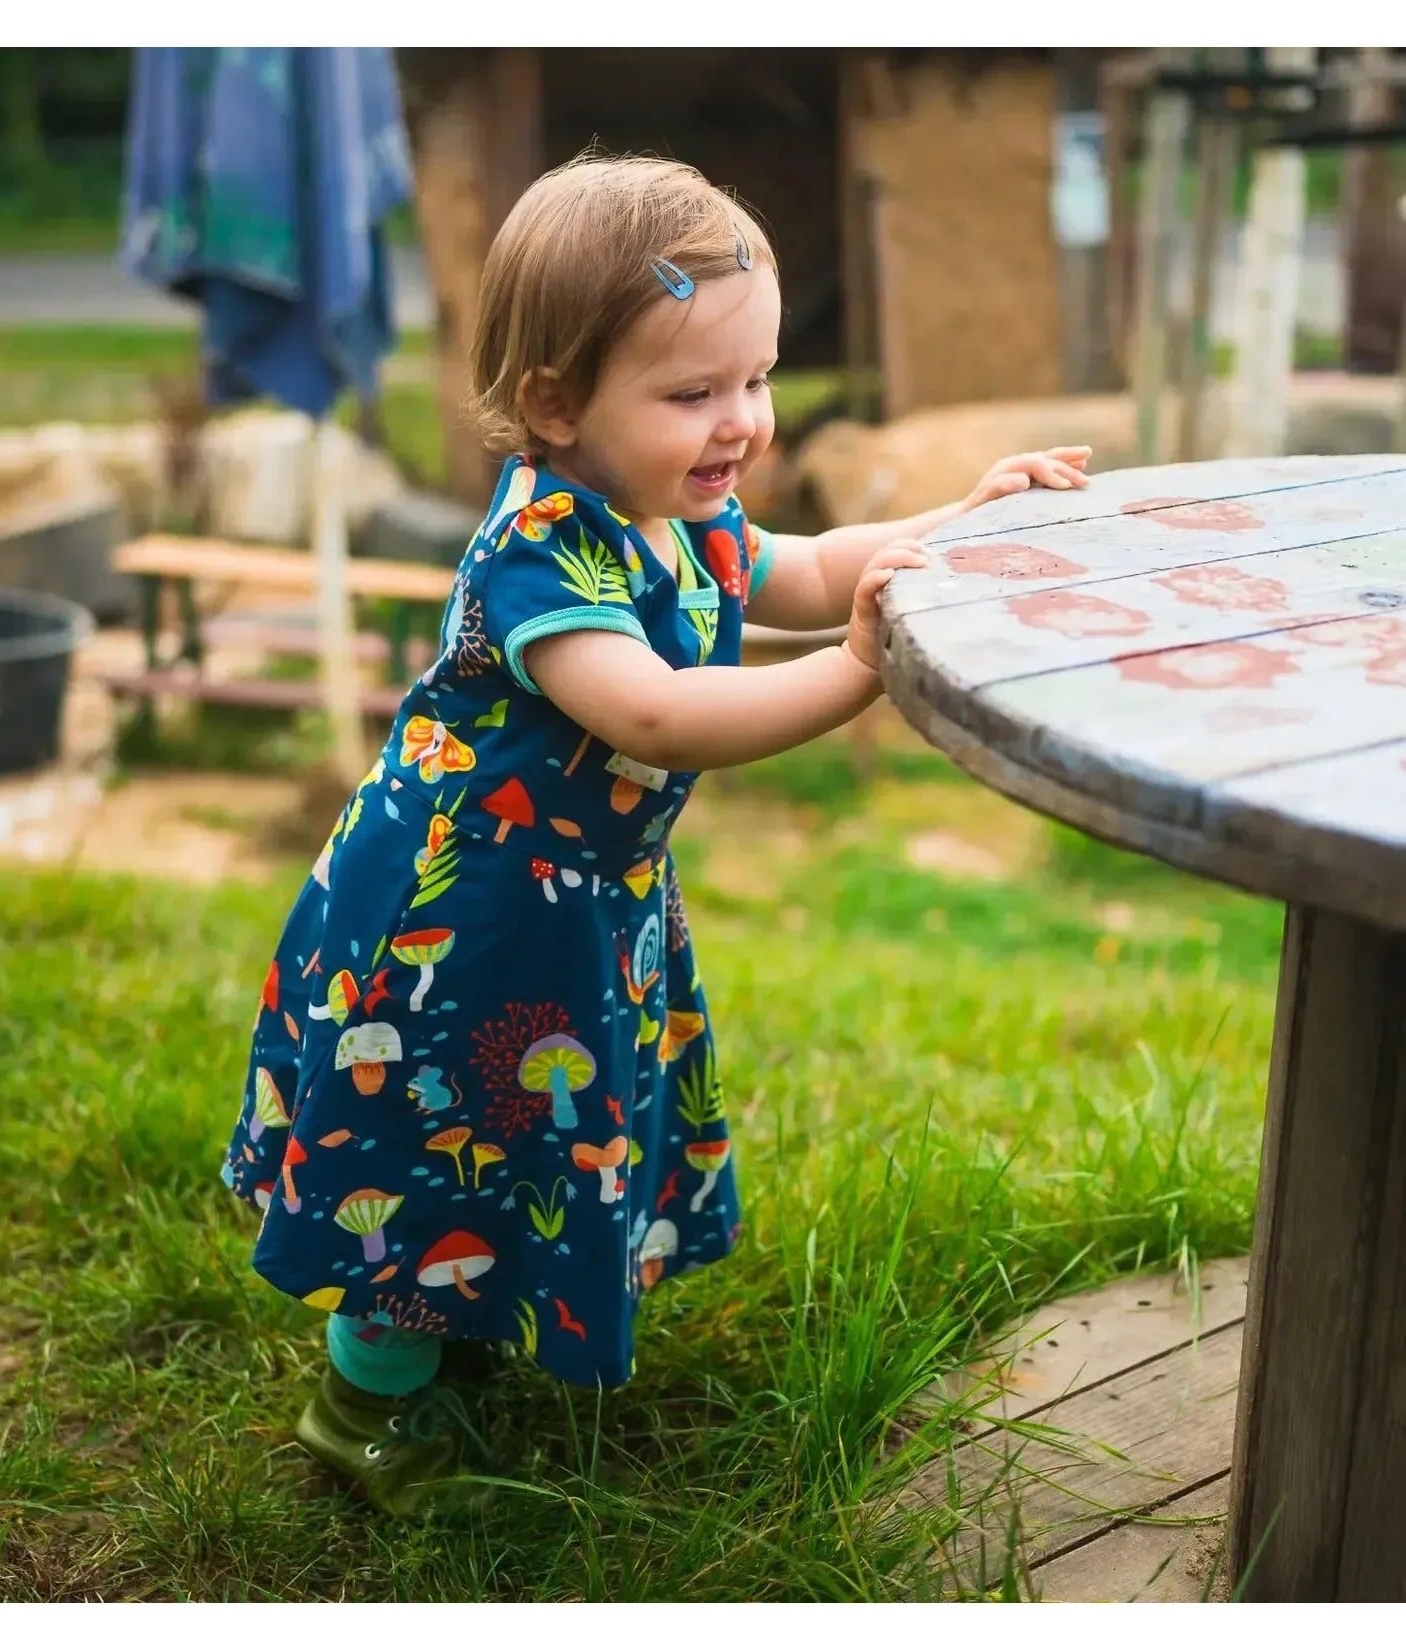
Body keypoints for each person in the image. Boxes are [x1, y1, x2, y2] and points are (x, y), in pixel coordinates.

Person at [222, 153, 1090, 1518]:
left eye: (754, 381)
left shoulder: (673, 510)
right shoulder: (542, 553)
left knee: (509, 1135)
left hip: (566, 908)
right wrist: (857, 672)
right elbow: (660, 714)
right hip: (455, 927)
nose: (737, 421)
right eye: (692, 393)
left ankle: (454, 1325)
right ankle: (362, 1399)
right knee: (433, 1131)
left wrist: (958, 521)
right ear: (555, 403)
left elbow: (800, 567)